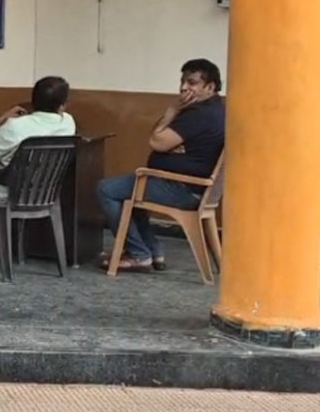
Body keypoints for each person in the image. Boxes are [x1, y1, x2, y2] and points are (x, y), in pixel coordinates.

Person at [97, 59, 226, 272]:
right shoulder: (216, 109)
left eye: (192, 83)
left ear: (210, 87)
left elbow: (156, 141)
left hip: (182, 188)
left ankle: (138, 254)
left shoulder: (199, 114)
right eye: (182, 81)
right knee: (131, 193)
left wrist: (172, 111)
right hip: (193, 188)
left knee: (107, 189)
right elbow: (161, 139)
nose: (183, 88)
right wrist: (168, 143)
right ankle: (153, 251)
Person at [0, 75, 77, 203]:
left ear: (33, 100)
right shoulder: (68, 123)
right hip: (46, 195)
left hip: (8, 193)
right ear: (62, 106)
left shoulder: (15, 126)